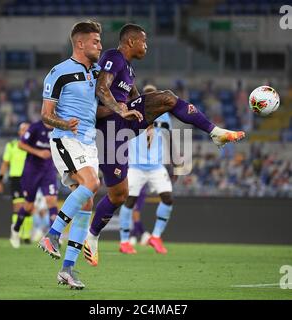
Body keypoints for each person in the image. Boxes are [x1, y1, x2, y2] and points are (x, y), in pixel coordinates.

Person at [83, 23, 245, 266]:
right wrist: (122, 109)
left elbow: (136, 101)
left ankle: (215, 132)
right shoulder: (113, 57)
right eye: (143, 41)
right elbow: (101, 88)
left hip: (123, 125)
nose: (146, 46)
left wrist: (145, 113)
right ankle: (91, 237)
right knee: (119, 195)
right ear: (130, 42)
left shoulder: (128, 70)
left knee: (167, 98)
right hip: (107, 131)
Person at [38, 20, 140, 289]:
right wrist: (64, 123)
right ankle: (52, 234)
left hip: (89, 143)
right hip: (66, 140)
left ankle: (68, 270)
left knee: (86, 203)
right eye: (95, 41)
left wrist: (123, 110)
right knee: (92, 184)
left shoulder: (97, 73)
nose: (100, 45)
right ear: (80, 43)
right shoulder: (59, 73)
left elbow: (107, 96)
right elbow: (45, 115)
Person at [119, 84, 176, 254]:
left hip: (156, 166)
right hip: (135, 165)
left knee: (168, 198)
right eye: (149, 95)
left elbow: (168, 138)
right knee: (129, 201)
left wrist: (174, 163)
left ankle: (156, 236)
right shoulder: (134, 111)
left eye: (155, 94)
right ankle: (124, 241)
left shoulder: (165, 117)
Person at [9, 120, 58, 249]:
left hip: (48, 170)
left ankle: (54, 237)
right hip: (32, 170)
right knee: (29, 206)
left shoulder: (58, 128)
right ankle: (16, 228)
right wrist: (39, 153)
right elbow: (21, 144)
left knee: (52, 201)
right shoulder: (35, 127)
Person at [0, 122, 32, 243]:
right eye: (23, 129)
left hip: (30, 178)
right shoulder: (11, 145)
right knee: (18, 206)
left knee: (29, 207)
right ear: (19, 132)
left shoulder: (34, 147)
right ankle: (17, 234)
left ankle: (26, 236)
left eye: (28, 130)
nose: (25, 132)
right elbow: (5, 163)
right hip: (16, 178)